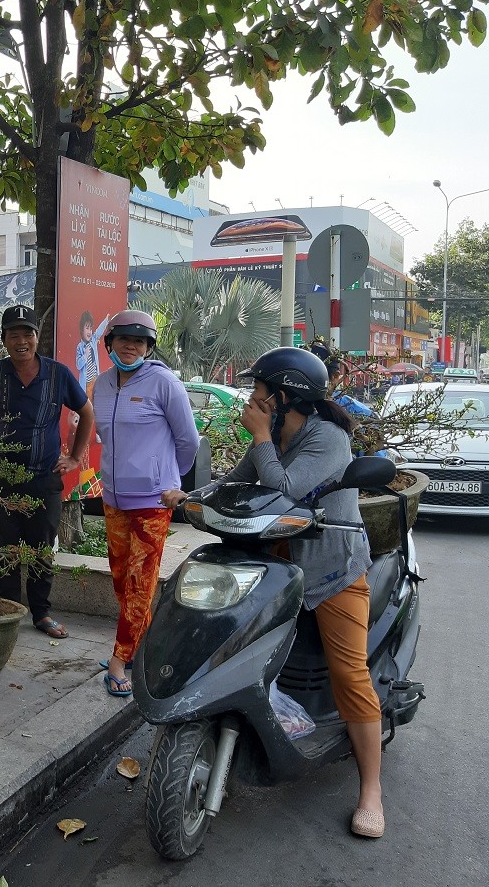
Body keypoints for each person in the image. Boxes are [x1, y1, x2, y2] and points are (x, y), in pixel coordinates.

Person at [161, 347, 385, 839]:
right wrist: (191, 497)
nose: (250, 398)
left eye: (258, 391)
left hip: (331, 570)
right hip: (274, 565)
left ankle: (371, 791)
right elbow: (238, 481)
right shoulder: (276, 432)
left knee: (350, 673)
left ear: (282, 397)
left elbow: (285, 490)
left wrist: (261, 436)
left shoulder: (327, 439)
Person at [0, 305, 95, 638]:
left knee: (40, 550)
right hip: (4, 476)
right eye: (14, 335)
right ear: (4, 340)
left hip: (45, 477)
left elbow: (87, 412)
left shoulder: (58, 374)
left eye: (27, 334)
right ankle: (9, 611)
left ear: (37, 337)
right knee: (5, 549)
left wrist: (75, 458)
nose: (21, 341)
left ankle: (41, 614)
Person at [92, 310, 198, 698]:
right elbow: (103, 433)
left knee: (140, 582)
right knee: (122, 580)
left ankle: (120, 659)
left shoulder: (164, 382)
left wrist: (170, 480)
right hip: (113, 498)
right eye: (124, 339)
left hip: (153, 502)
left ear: (149, 347)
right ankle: (144, 647)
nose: (132, 346)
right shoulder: (101, 385)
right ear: (110, 344)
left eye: (141, 341)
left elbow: (189, 441)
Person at [74, 310, 111, 392]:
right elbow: (78, 365)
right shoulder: (80, 347)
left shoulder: (93, 341)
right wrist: (85, 356)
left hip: (95, 380)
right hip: (86, 384)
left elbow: (99, 331)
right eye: (87, 328)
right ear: (81, 330)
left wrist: (106, 321)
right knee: (88, 403)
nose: (89, 331)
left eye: (91, 329)